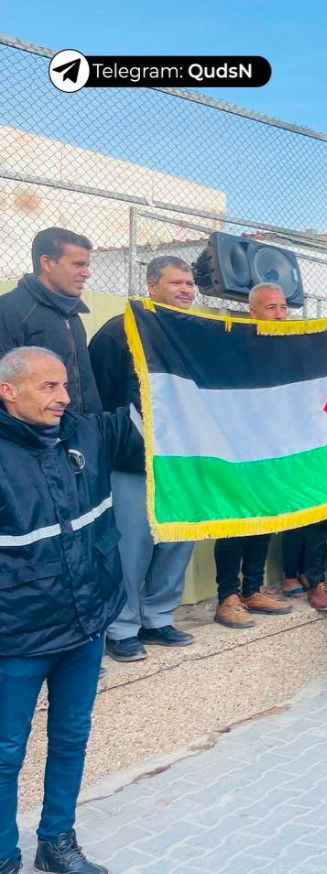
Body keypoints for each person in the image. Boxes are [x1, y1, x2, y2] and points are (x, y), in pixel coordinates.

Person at [0, 346, 143, 874]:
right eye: (48, 388)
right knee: (4, 752)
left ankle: (56, 842)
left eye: (64, 386)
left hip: (87, 624)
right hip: (18, 635)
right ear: (8, 391)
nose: (63, 398)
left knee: (70, 738)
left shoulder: (87, 433)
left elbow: (163, 426)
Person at [91, 256, 206, 660]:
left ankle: (158, 617)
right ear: (151, 284)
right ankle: (121, 627)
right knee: (130, 547)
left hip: (186, 462)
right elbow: (99, 402)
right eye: (176, 282)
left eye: (190, 283)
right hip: (131, 463)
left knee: (178, 541)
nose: (186, 290)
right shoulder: (118, 331)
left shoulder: (197, 333)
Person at [212, 284, 293, 625]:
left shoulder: (291, 349)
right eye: (271, 307)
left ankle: (253, 589)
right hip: (235, 451)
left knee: (264, 519)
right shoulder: (234, 349)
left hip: (272, 452)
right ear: (254, 312)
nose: (280, 314)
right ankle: (227, 596)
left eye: (283, 307)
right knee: (234, 523)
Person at [0, 227, 101, 414]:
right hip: (36, 439)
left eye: (87, 265)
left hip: (80, 433)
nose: (87, 273)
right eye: (78, 264)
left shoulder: (72, 313)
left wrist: (92, 428)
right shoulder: (9, 310)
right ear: (47, 263)